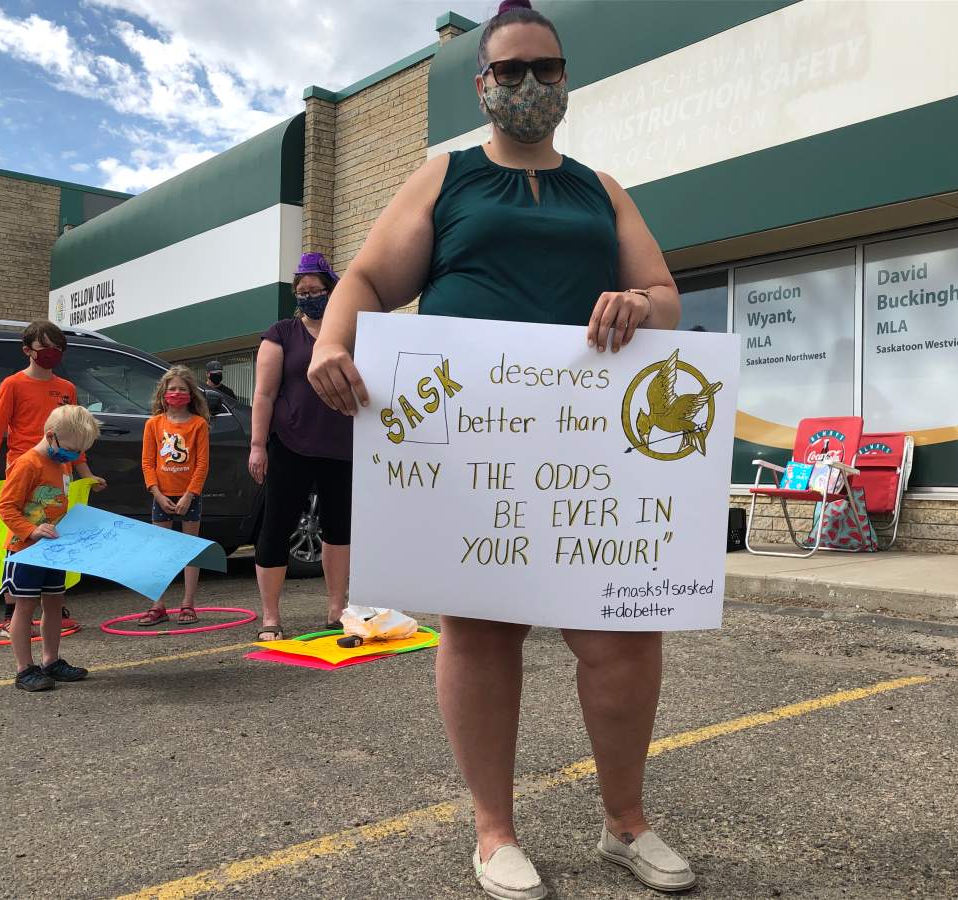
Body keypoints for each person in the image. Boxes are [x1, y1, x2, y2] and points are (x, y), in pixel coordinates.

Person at [307, 3, 691, 896]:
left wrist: (641, 305)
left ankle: (624, 824)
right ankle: (493, 831)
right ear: (482, 83)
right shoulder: (447, 175)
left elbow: (665, 294)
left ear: (566, 77)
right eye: (510, 70)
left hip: (591, 442)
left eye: (545, 69)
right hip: (474, 440)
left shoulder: (601, 186)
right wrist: (333, 343)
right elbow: (365, 278)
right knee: (481, 632)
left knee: (625, 633)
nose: (529, 85)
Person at [249, 252, 353, 641]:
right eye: (302, 291)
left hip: (341, 445)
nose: (309, 296)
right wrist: (258, 445)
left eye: (316, 290)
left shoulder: (350, 333)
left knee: (338, 528)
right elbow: (263, 394)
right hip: (290, 443)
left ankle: (336, 609)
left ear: (332, 290)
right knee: (276, 526)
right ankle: (271, 617)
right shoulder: (280, 334)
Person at [0, 321, 106, 637]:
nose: (52, 355)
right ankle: (14, 611)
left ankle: (52, 601)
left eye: (57, 350)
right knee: (23, 537)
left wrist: (87, 475)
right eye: (45, 349)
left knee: (54, 533)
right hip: (25, 470)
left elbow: (75, 439)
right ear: (28, 351)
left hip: (58, 475)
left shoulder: (66, 389)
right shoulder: (13, 384)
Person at [0, 404, 100, 692]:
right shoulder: (27, 464)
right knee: (25, 606)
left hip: (54, 551)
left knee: (55, 603)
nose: (74, 456)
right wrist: (30, 530)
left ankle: (50, 661)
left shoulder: (62, 463)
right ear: (51, 435)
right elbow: (6, 506)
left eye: (79, 452)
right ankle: (24, 669)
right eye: (71, 449)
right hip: (25, 550)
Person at [137, 366, 211, 626]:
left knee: (190, 549)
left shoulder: (198, 424)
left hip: (189, 495)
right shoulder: (154, 424)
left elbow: (202, 464)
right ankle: (158, 604)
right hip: (162, 495)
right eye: (172, 389)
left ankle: (188, 603)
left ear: (191, 393)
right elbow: (147, 463)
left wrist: (190, 495)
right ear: (163, 393)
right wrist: (156, 493)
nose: (177, 393)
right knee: (160, 550)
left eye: (182, 389)